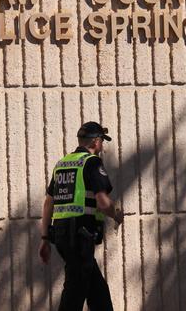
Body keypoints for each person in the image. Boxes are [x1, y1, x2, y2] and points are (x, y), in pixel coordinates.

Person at [38, 121, 124, 311]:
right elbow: (103, 202)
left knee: (97, 292)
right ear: (94, 142)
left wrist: (44, 238)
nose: (102, 146)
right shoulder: (91, 163)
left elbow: (48, 203)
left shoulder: (62, 164)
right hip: (80, 236)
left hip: (62, 237)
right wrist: (116, 214)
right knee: (74, 292)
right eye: (102, 140)